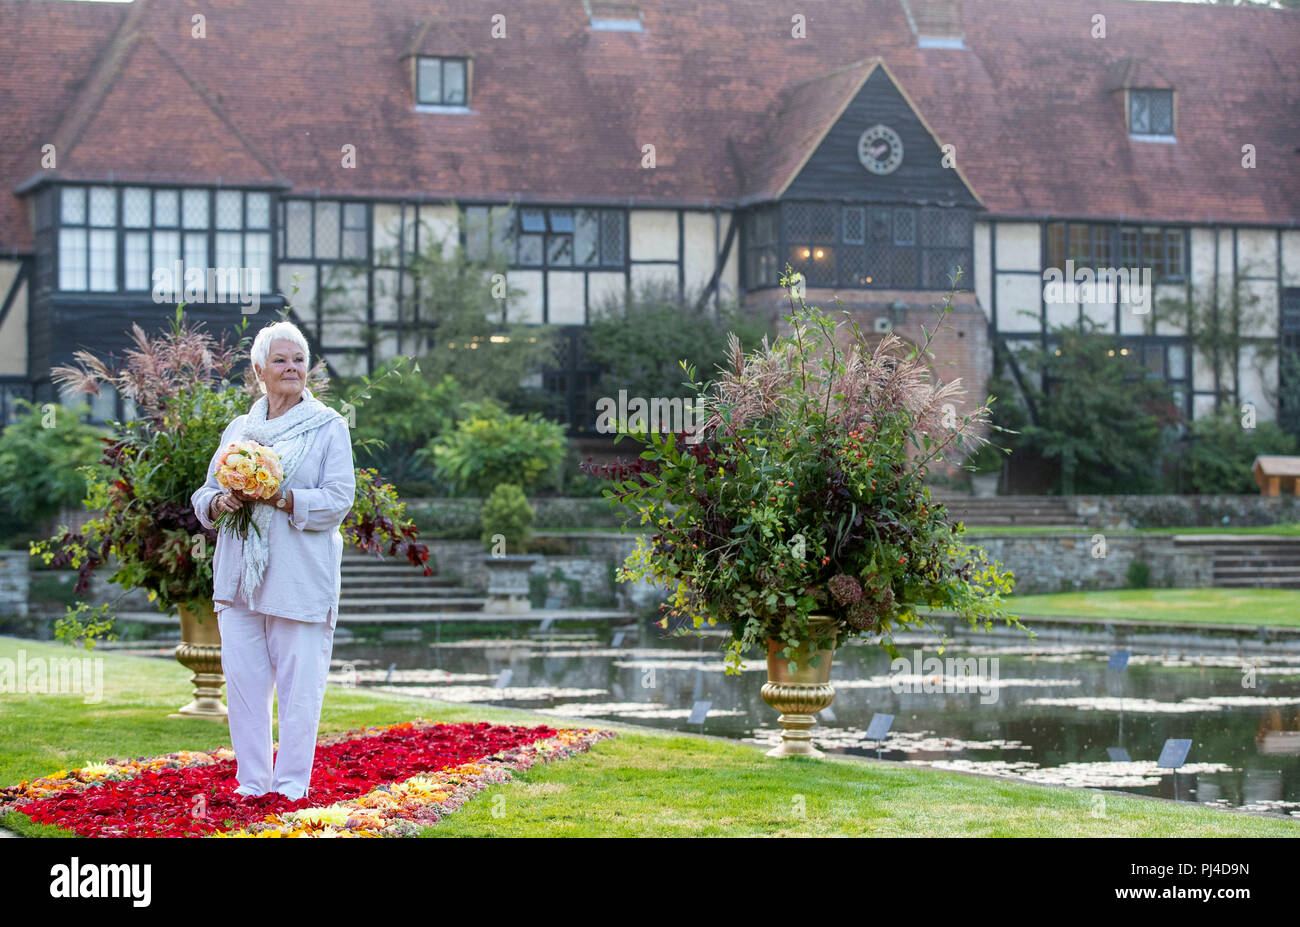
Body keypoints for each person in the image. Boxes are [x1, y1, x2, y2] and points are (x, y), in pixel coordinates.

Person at [190, 320, 355, 801]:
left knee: (299, 692)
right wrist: (220, 503)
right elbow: (205, 492)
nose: (291, 368)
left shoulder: (328, 426)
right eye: (280, 360)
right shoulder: (240, 429)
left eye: (298, 359)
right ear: (259, 370)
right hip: (239, 575)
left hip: (299, 578)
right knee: (244, 690)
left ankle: (289, 788)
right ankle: (252, 784)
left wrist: (281, 497)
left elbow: (338, 499)